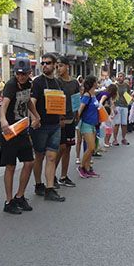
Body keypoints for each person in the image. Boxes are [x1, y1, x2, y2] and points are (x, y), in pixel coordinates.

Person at [0, 57, 40, 214]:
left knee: (29, 162)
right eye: (18, 73)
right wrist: (3, 121)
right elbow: (4, 106)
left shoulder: (29, 84)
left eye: (24, 74)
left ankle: (19, 196)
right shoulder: (10, 85)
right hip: (9, 130)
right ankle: (8, 201)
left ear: (29, 73)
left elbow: (28, 101)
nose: (21, 76)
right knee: (10, 166)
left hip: (22, 128)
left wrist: (36, 116)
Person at [29, 53, 66, 202]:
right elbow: (31, 102)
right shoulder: (37, 82)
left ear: (54, 65)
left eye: (48, 63)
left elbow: (60, 102)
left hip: (55, 125)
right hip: (41, 126)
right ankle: (39, 184)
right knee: (39, 156)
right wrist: (34, 119)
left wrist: (61, 117)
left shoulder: (58, 83)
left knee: (52, 157)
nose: (45, 65)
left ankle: (49, 189)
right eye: (42, 63)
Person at [55, 56, 79, 188]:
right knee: (61, 147)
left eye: (61, 65)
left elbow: (76, 99)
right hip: (60, 120)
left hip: (71, 119)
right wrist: (59, 118)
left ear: (67, 66)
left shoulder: (74, 82)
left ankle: (63, 176)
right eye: (57, 66)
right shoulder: (56, 82)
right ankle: (51, 174)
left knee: (68, 148)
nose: (58, 68)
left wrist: (77, 115)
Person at [77, 76, 101, 178]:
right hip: (86, 124)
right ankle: (81, 166)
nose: (98, 83)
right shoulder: (87, 95)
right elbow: (80, 109)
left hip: (93, 124)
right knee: (91, 147)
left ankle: (87, 168)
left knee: (92, 148)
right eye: (96, 81)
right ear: (93, 83)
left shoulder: (93, 95)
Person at [112, 72, 131, 146]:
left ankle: (123, 138)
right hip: (117, 105)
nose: (120, 78)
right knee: (116, 123)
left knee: (124, 123)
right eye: (119, 76)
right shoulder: (115, 85)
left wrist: (131, 102)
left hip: (124, 105)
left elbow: (128, 95)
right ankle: (115, 139)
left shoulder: (126, 85)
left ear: (124, 77)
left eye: (121, 76)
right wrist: (113, 106)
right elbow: (111, 96)